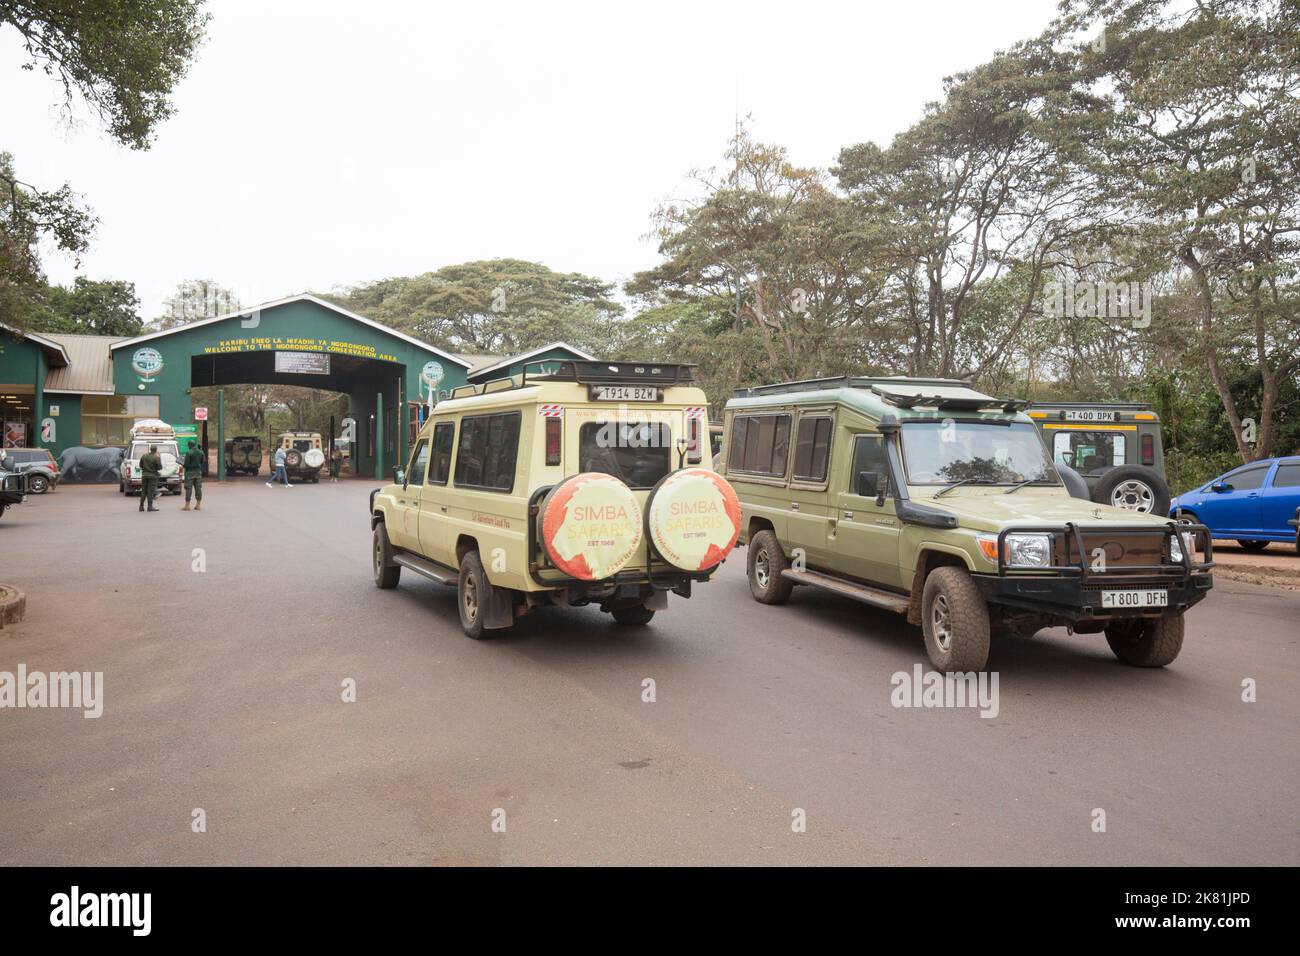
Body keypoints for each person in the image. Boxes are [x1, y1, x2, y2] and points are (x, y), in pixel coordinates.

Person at [182, 440, 206, 511]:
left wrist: (182, 463)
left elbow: (186, 464)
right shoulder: (201, 452)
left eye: (188, 445)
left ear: (189, 445)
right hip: (198, 472)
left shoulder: (189, 453)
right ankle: (198, 505)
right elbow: (203, 461)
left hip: (189, 473)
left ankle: (187, 505)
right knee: (198, 488)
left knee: (188, 488)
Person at [139, 444, 162, 512]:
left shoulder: (144, 456)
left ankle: (141, 506)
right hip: (152, 476)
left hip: (144, 475)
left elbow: (140, 465)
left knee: (143, 491)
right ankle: (150, 506)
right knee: (150, 492)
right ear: (156, 450)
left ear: (150, 449)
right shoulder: (156, 457)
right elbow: (160, 467)